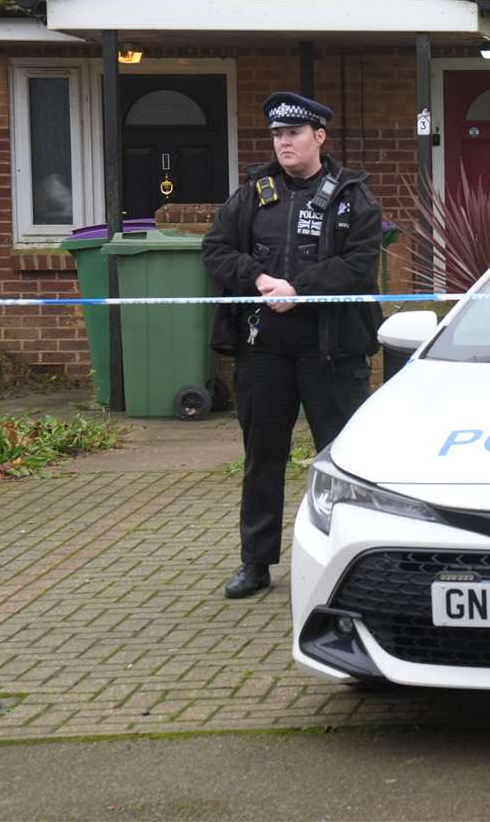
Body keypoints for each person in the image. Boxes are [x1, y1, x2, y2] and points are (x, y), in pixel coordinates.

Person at [201, 91, 383, 598]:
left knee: (343, 461)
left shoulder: (352, 196)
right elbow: (215, 249)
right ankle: (255, 564)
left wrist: (298, 290)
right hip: (264, 350)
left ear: (319, 137)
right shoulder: (252, 194)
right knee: (262, 458)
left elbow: (359, 265)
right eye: (278, 134)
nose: (283, 142)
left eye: (294, 133)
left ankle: (352, 566)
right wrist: (259, 279)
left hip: (331, 351)